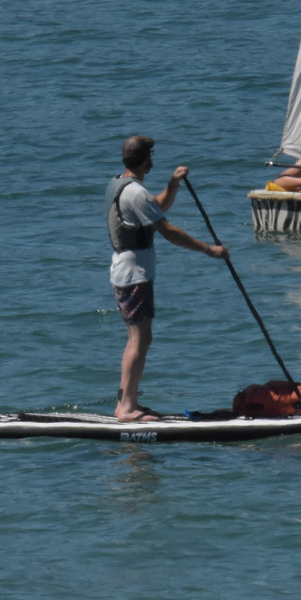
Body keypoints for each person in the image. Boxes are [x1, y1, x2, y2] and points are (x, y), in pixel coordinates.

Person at [105, 135, 229, 422]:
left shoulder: (120, 184)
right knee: (141, 339)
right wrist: (209, 250)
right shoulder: (135, 192)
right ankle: (127, 409)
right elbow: (168, 230)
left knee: (136, 339)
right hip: (134, 275)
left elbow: (155, 207)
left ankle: (127, 402)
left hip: (125, 271)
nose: (153, 159)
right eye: (151, 155)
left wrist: (172, 184)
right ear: (145, 159)